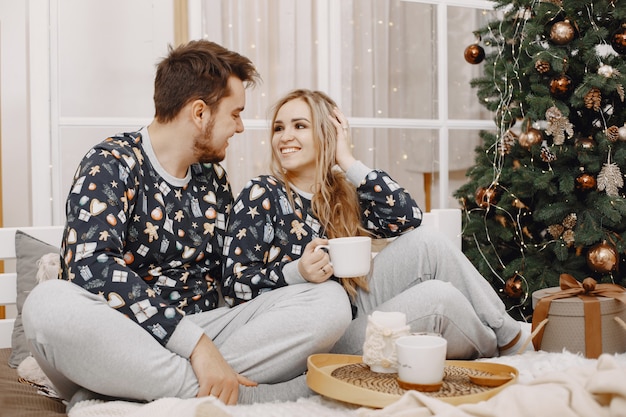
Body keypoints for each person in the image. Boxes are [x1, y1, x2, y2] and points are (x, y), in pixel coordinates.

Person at [21, 42, 352, 410]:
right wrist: (195, 345)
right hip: (126, 336)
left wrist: (299, 269)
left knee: (329, 301)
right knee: (46, 306)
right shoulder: (111, 163)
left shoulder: (212, 179)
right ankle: (239, 393)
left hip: (211, 330)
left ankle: (129, 392)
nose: (240, 127)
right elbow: (90, 268)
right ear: (199, 113)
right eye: (235, 114)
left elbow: (234, 279)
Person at [222, 89, 531, 360]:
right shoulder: (262, 192)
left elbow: (407, 217)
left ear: (327, 134)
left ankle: (508, 336)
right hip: (318, 331)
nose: (284, 136)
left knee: (428, 242)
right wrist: (298, 272)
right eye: (278, 128)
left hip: (357, 305)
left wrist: (346, 159)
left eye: (300, 126)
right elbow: (235, 286)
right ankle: (506, 347)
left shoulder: (343, 193)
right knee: (439, 297)